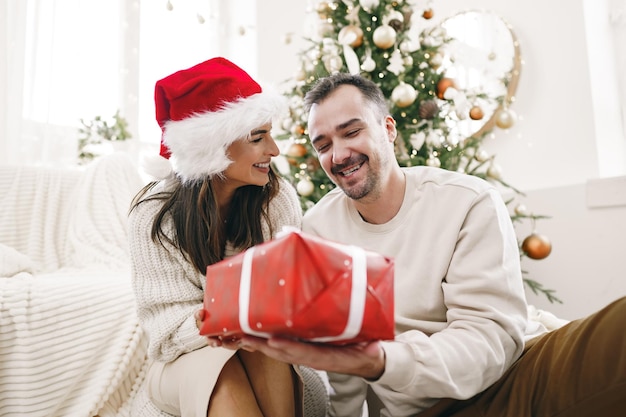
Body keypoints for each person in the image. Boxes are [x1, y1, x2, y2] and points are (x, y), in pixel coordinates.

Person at [222, 73, 626, 417]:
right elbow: (339, 374)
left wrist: (383, 359)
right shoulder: (317, 229)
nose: (339, 154)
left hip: (513, 378)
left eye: (352, 131)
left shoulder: (467, 201)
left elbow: (489, 341)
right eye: (323, 144)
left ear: (389, 129)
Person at [127, 57, 305, 417]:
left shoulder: (276, 199)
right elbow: (163, 332)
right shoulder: (153, 215)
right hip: (185, 356)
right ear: (212, 148)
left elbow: (290, 303)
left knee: (260, 344)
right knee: (224, 368)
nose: (274, 150)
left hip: (264, 350)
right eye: (258, 138)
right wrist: (223, 318)